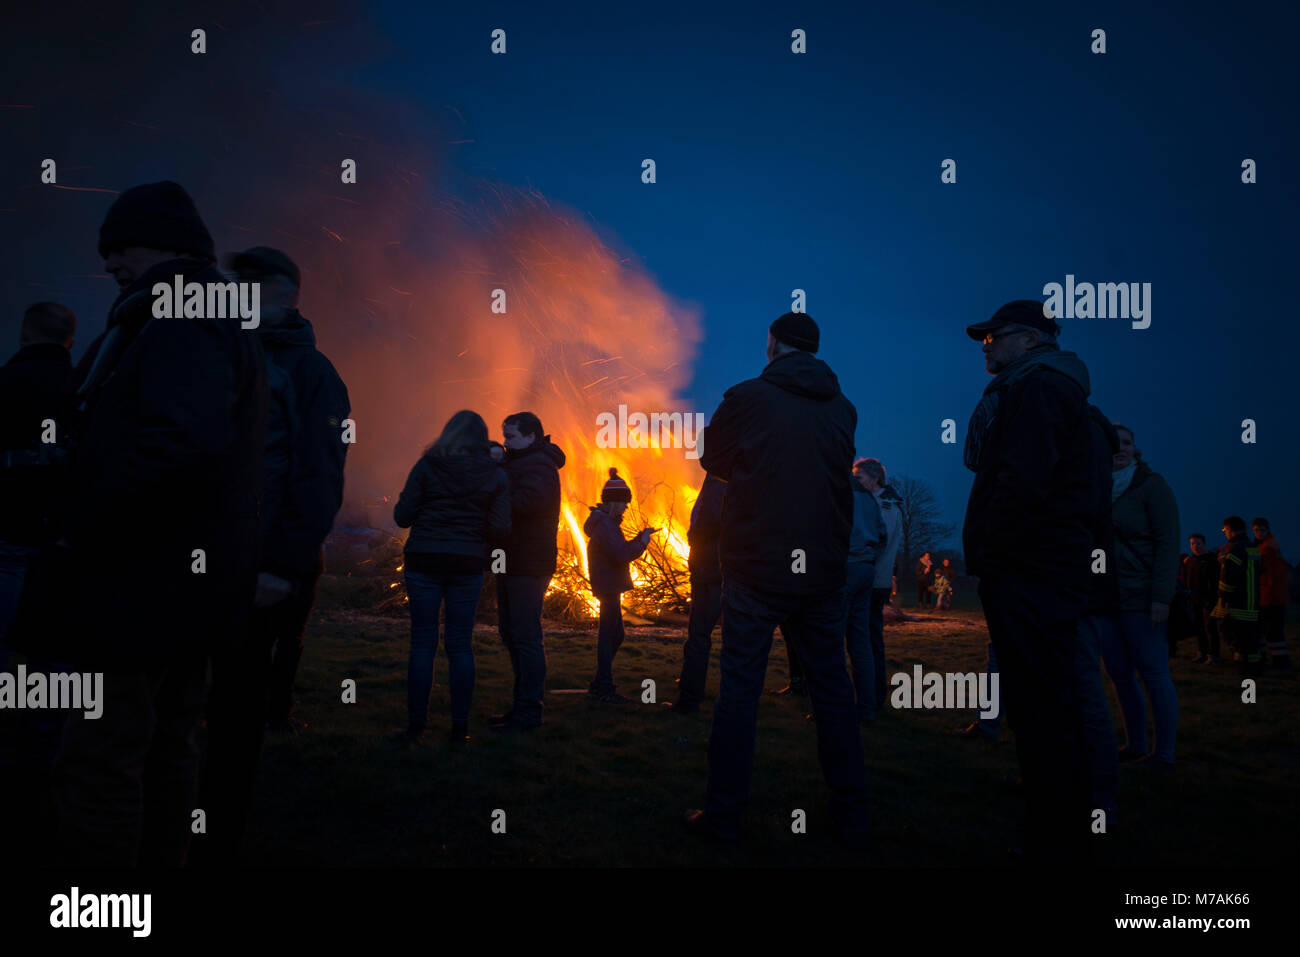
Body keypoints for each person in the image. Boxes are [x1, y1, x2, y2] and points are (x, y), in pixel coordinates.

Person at [42, 181, 267, 867]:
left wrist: (86, 515)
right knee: (169, 746)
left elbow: (180, 439)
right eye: (105, 250)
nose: (110, 262)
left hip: (141, 580)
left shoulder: (182, 312)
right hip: (181, 584)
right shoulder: (198, 312)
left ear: (172, 246)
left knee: (104, 757)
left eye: (122, 246)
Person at [685, 311, 869, 844]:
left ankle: (724, 815)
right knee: (833, 690)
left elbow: (712, 460)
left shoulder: (746, 397)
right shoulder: (843, 407)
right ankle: (852, 813)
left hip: (757, 566)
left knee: (740, 690)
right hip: (823, 570)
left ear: (773, 344)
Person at [194, 246, 351, 864]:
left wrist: (283, 564)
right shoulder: (215, 357)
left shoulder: (311, 374)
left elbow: (319, 475)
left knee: (236, 706)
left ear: (283, 297)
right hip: (196, 561)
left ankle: (220, 834)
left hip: (257, 567)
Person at [961, 299, 1095, 862]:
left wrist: (996, 551)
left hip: (1030, 571)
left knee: (1040, 694)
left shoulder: (1039, 390)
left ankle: (1054, 827)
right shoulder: (1039, 389)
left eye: (995, 336)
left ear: (1032, 339)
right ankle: (1049, 796)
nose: (986, 345)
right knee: (1039, 691)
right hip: (1037, 568)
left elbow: (1022, 481)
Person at [0, 302, 78, 863]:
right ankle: (49, 738)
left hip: (9, 532)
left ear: (26, 333)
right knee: (54, 648)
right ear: (69, 338)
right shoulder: (85, 386)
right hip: (64, 544)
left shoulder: (7, 381)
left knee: (7, 640)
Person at [393, 410, 510, 744]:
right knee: (460, 645)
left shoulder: (427, 466)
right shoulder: (495, 475)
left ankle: (416, 726)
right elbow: (501, 528)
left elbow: (402, 516)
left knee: (422, 643)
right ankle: (460, 729)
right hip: (466, 564)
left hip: (423, 561)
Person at [1100, 424, 1180, 772]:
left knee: (1153, 672)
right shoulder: (1096, 488)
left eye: (1128, 442)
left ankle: (1163, 755)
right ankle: (1135, 745)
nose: (1121, 448)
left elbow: (1167, 543)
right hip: (1105, 598)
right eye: (1115, 443)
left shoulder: (1152, 486)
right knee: (1119, 674)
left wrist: (1161, 597)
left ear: (1136, 449)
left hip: (1142, 597)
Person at [491, 412, 566, 732]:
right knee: (512, 633)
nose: (506, 443)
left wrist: (495, 481)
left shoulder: (539, 466)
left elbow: (526, 503)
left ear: (532, 437)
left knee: (525, 637)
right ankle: (521, 705)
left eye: (511, 437)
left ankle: (529, 711)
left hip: (529, 564)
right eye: (504, 437)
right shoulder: (520, 463)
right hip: (513, 560)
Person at [585, 468, 652, 703]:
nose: (626, 507)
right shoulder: (605, 525)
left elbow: (618, 551)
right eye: (624, 503)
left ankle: (600, 682)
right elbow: (621, 554)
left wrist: (638, 539)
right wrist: (642, 542)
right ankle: (603, 687)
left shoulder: (607, 523)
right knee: (609, 635)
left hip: (609, 586)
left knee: (615, 634)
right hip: (608, 587)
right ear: (614, 502)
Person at [672, 473, 726, 714]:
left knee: (699, 636)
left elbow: (708, 522)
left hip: (710, 571)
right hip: (721, 570)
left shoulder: (718, 482)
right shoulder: (732, 477)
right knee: (727, 637)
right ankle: (694, 686)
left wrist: (693, 537)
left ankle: (690, 698)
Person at [856, 458, 901, 717]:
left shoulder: (885, 505)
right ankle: (872, 694)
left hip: (874, 580)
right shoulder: (882, 502)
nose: (856, 483)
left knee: (870, 639)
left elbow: (879, 541)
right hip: (873, 578)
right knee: (869, 638)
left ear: (874, 478)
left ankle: (872, 695)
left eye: (859, 478)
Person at [844, 459, 887, 722]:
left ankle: (833, 706)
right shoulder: (870, 500)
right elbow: (882, 536)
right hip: (866, 570)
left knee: (831, 639)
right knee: (861, 642)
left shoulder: (842, 493)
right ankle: (867, 707)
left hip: (845, 569)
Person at [1213, 516, 1262, 675]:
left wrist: (1223, 598)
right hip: (1252, 604)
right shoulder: (1252, 548)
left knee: (1237, 639)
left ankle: (1243, 671)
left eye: (1225, 530)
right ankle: (1254, 670)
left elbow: (1228, 578)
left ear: (1230, 530)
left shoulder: (1235, 550)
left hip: (1237, 605)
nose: (1225, 534)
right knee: (1250, 641)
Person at [1252, 518, 1291, 671]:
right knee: (1266, 630)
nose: (1258, 533)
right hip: (1268, 595)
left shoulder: (1268, 546)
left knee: (1273, 631)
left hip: (1271, 596)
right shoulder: (1264, 545)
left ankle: (1281, 663)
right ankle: (1275, 660)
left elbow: (1259, 567)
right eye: (1256, 530)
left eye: (1261, 530)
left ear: (1267, 530)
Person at [1186, 534, 1221, 664]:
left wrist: (1213, 597)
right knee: (1198, 627)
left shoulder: (1211, 560)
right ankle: (1202, 652)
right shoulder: (1190, 561)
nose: (1195, 546)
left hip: (1208, 599)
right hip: (1194, 599)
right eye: (1193, 544)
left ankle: (1214, 655)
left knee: (1210, 628)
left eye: (1198, 543)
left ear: (1204, 544)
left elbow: (1216, 581)